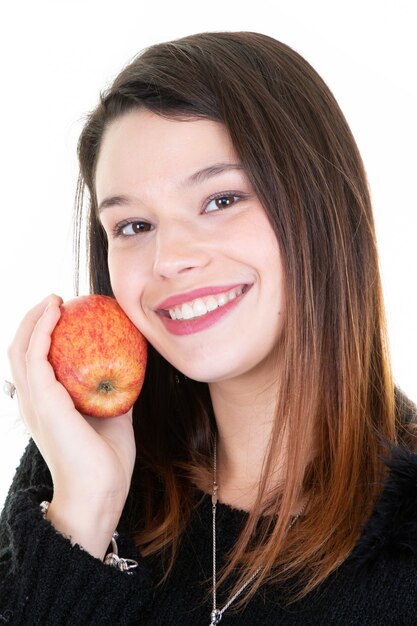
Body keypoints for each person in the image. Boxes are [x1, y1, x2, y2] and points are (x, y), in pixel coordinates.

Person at [1, 31, 416, 625]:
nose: (169, 258)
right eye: (134, 226)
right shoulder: (69, 475)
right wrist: (84, 516)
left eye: (221, 200)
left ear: (320, 206)